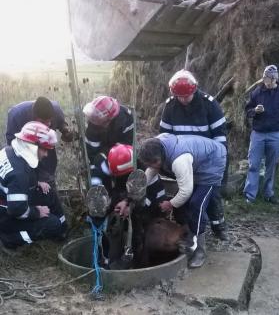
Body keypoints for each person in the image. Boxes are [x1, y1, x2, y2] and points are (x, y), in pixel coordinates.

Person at [138, 133, 227, 268]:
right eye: (150, 164)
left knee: (197, 204)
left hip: (212, 161)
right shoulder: (155, 148)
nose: (154, 167)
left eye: (155, 163)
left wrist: (170, 204)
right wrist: (137, 192)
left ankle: (199, 250)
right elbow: (150, 172)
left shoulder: (179, 160)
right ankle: (188, 235)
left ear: (160, 156)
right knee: (182, 204)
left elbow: (186, 191)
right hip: (196, 161)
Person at [159, 69, 228, 240]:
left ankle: (218, 226)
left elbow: (220, 135)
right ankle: (188, 228)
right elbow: (165, 136)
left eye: (186, 97)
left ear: (194, 90)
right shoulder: (170, 107)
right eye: (178, 97)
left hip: (208, 159)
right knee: (186, 192)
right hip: (182, 159)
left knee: (211, 196)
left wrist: (218, 163)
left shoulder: (209, 105)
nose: (182, 100)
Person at [86, 143, 167, 268]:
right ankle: (105, 256)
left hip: (152, 198)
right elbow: (100, 196)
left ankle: (138, 253)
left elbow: (147, 196)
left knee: (141, 221)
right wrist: (115, 204)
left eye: (123, 175)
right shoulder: (101, 166)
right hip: (126, 192)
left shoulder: (145, 169)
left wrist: (130, 206)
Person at [0, 121, 67, 252]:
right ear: (32, 146)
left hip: (9, 199)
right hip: (5, 214)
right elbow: (16, 210)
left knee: (48, 192)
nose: (46, 154)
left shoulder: (10, 150)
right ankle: (10, 238)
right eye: (44, 150)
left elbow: (12, 182)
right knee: (52, 224)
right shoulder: (19, 174)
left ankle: (62, 229)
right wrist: (36, 212)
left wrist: (35, 184)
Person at [6, 96, 73, 188]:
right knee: (28, 179)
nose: (47, 125)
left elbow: (61, 123)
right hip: (25, 150)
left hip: (45, 150)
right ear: (34, 117)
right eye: (43, 121)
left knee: (48, 177)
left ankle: (49, 189)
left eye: (49, 121)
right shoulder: (17, 115)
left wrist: (65, 130)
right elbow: (12, 143)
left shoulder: (56, 110)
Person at [243, 65, 279, 204]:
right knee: (253, 165)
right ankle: (250, 196)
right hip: (258, 134)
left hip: (276, 134)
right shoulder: (257, 92)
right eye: (264, 77)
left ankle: (268, 193)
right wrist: (255, 110)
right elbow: (247, 111)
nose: (264, 80)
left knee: (271, 166)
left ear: (274, 79)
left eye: (267, 77)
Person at [83, 96, 134, 186]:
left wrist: (110, 160)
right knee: (97, 172)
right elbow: (92, 153)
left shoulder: (126, 118)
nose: (96, 122)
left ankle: (122, 192)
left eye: (100, 121)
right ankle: (103, 194)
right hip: (100, 154)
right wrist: (101, 163)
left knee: (123, 173)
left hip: (120, 153)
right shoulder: (94, 122)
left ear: (110, 118)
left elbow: (125, 145)